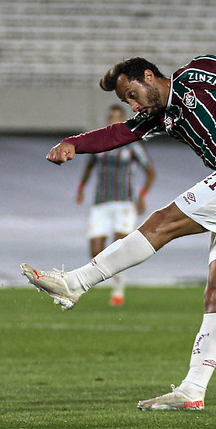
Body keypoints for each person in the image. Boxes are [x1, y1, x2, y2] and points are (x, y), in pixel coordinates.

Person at [21, 55, 216, 410]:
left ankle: (76, 283)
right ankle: (194, 389)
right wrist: (74, 143)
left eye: (132, 94)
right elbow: (120, 133)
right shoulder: (159, 116)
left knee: (162, 222)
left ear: (148, 76)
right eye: (125, 101)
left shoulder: (197, 71)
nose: (132, 104)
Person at [76, 105, 155, 306]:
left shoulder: (132, 145)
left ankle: (118, 289)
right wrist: (81, 187)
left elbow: (150, 171)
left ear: (123, 120)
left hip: (124, 202)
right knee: (95, 251)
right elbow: (89, 166)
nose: (114, 121)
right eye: (111, 118)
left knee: (118, 249)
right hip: (100, 202)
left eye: (118, 118)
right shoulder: (99, 143)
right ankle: (107, 280)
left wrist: (142, 195)